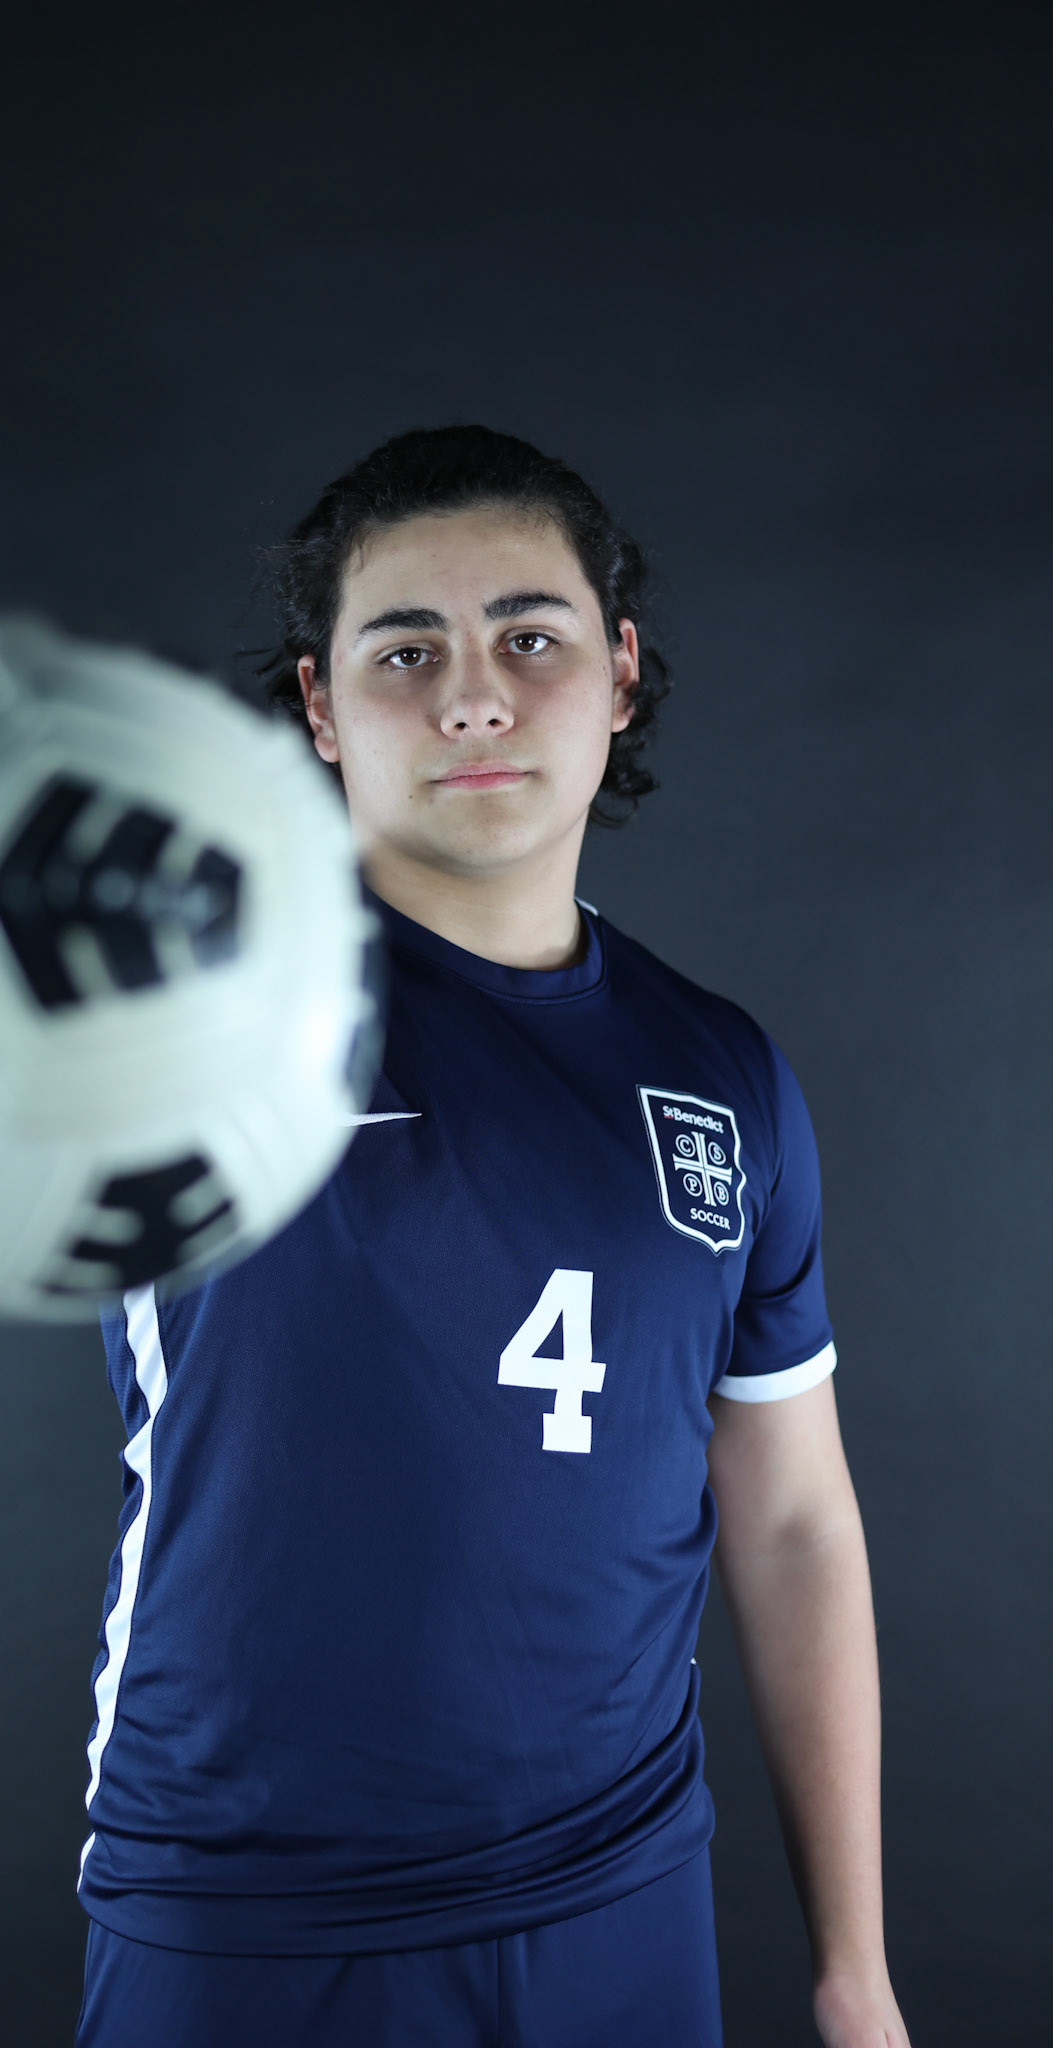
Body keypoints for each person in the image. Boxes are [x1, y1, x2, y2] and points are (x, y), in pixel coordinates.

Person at [73, 426, 911, 2048]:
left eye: (530, 638)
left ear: (618, 674)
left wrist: (850, 1971)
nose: (472, 696)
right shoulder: (203, 1001)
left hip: (623, 1891)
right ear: (319, 708)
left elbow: (794, 1515)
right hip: (255, 1915)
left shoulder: (720, 1074)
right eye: (405, 651)